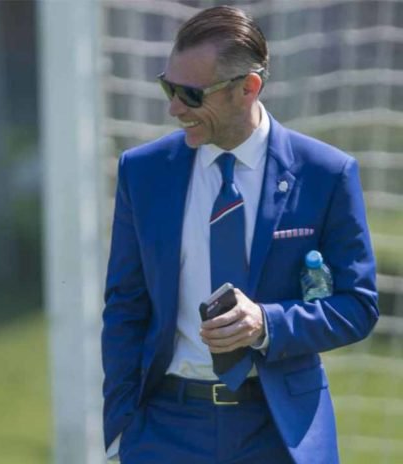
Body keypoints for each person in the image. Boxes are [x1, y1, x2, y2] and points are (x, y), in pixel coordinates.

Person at [101, 6, 378, 464]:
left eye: (191, 94)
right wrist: (122, 426)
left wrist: (266, 323)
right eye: (168, 87)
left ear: (248, 88)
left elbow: (358, 305)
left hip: (280, 431)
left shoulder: (326, 173)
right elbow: (125, 305)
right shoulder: (143, 171)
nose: (174, 108)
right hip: (165, 428)